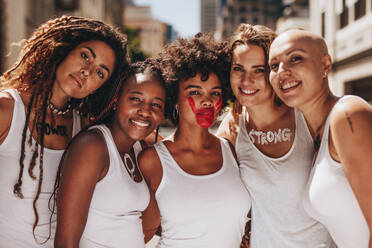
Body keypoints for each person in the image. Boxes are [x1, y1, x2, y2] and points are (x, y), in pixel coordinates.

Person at [0, 15, 128, 247]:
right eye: (85, 56)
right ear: (63, 48)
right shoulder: (7, 110)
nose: (87, 71)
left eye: (101, 72)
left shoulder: (85, 132)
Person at [216, 24, 334, 248]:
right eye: (238, 69)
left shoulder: (306, 116)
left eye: (258, 70)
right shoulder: (232, 128)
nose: (246, 80)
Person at [138, 33, 250, 247]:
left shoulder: (231, 150)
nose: (207, 101)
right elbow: (134, 232)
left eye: (215, 93)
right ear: (174, 97)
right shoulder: (152, 160)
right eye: (195, 92)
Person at [269, 29, 372, 248]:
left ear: (325, 65)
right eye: (273, 65)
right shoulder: (315, 135)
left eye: (295, 58)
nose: (282, 71)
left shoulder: (347, 114)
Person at [54, 59, 168, 248]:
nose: (145, 111)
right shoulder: (92, 146)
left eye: (156, 105)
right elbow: (66, 242)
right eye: (136, 99)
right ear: (116, 100)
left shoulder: (140, 149)